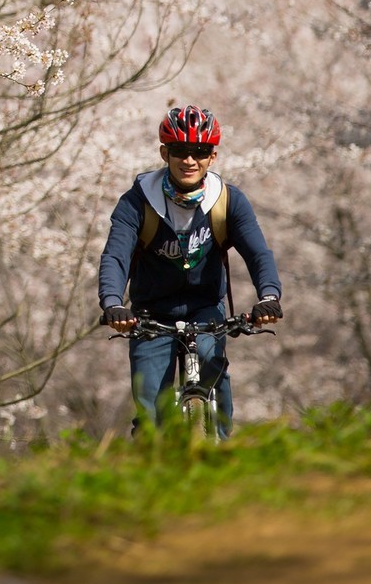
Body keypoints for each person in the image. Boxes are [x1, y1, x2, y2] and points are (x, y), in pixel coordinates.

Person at [97, 104, 282, 437]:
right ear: (164, 152)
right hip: (150, 314)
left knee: (215, 372)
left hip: (206, 309)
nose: (189, 160)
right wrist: (112, 303)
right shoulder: (138, 201)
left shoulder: (228, 201)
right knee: (152, 413)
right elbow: (115, 256)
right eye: (180, 151)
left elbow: (258, 253)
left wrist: (269, 295)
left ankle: (221, 451)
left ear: (213, 157)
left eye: (200, 151)